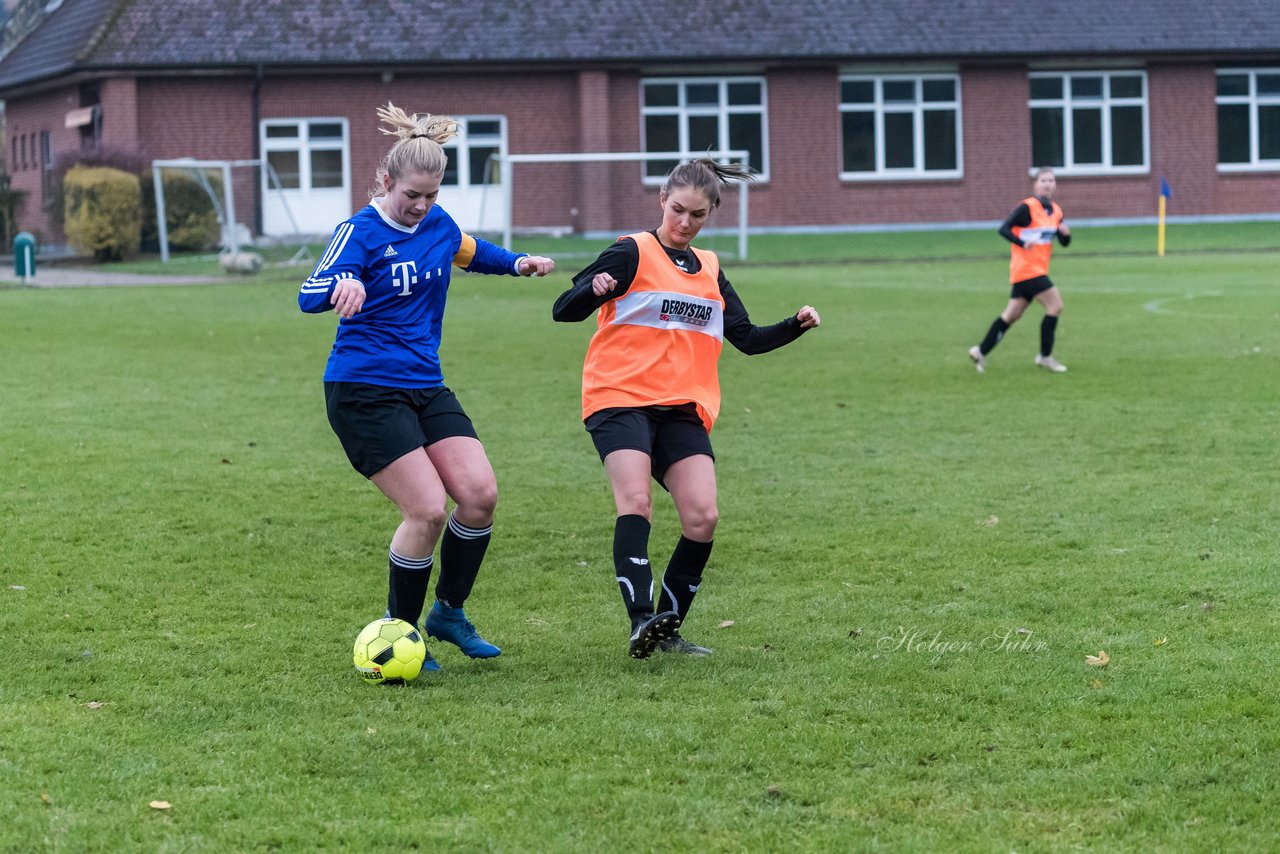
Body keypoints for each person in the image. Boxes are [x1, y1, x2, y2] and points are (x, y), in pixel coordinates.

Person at [299, 103, 554, 672]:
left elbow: (469, 250)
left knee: (480, 496)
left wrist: (517, 265)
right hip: (363, 389)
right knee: (427, 510)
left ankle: (449, 613)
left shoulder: (436, 224)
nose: (420, 206)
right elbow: (309, 291)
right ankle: (402, 633)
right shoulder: (359, 231)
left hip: (424, 385)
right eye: (412, 194)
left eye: (431, 196)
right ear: (387, 182)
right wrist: (341, 284)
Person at [552, 158, 821, 659]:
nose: (684, 222)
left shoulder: (711, 269)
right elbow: (562, 308)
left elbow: (747, 339)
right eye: (677, 209)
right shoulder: (630, 251)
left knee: (703, 517)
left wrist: (795, 324)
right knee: (636, 502)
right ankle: (640, 620)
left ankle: (667, 629)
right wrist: (592, 290)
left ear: (710, 214)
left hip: (680, 408)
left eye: (697, 214)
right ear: (662, 200)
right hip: (619, 397)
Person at [968, 166, 1072, 373]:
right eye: (1043, 180)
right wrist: (1021, 243)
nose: (1047, 184)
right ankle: (1045, 357)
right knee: (1055, 306)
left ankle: (980, 351)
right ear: (1036, 184)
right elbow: (1004, 228)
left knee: (1011, 315)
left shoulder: (1056, 211)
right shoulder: (1027, 208)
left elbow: (1063, 242)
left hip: (1033, 271)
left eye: (1051, 180)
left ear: (1055, 185)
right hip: (1028, 270)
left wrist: (1065, 235)